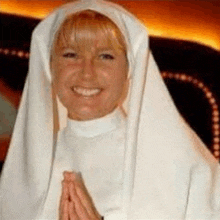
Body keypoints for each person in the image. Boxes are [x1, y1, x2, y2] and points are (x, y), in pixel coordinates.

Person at [1, 0, 220, 219]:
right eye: (70, 54)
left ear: (129, 69)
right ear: (49, 66)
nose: (87, 72)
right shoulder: (27, 168)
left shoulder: (180, 162)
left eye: (106, 56)